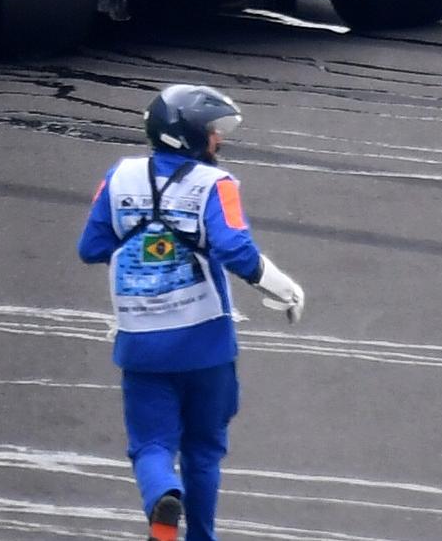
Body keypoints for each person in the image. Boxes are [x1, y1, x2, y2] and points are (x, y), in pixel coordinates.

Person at [77, 84, 305, 541]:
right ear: (191, 138)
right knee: (203, 453)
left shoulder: (119, 177)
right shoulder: (218, 186)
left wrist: (148, 256)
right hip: (207, 345)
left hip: (140, 343)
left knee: (151, 446)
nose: (219, 141)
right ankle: (201, 537)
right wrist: (283, 287)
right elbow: (234, 247)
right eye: (213, 133)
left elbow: (92, 247)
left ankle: (163, 502)